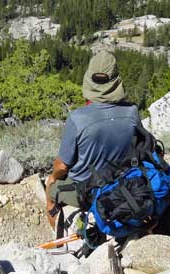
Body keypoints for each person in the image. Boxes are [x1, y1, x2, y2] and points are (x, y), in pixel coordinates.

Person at [46, 49, 142, 230]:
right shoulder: (132, 112)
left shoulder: (78, 118)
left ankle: (57, 236)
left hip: (87, 191)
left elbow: (62, 166)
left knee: (50, 190)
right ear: (115, 81)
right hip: (123, 185)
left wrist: (52, 177)